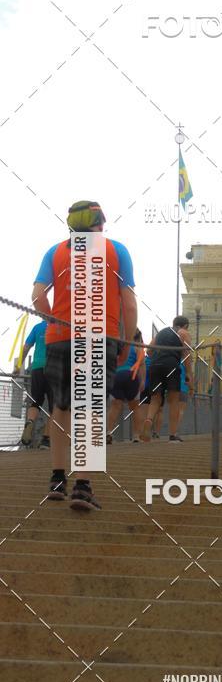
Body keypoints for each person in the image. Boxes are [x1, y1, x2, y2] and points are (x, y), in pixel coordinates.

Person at [32, 200, 137, 510]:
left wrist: (54, 320)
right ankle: (82, 486)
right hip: (99, 337)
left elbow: (38, 296)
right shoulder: (116, 251)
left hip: (59, 337)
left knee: (61, 407)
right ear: (100, 223)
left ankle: (56, 479)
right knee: (91, 411)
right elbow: (129, 305)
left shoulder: (55, 252)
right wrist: (127, 343)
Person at [142, 316, 193, 443]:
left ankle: (148, 421)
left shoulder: (161, 332)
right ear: (185, 325)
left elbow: (148, 351)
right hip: (171, 365)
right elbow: (187, 354)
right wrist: (189, 374)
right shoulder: (184, 333)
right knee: (174, 400)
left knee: (155, 399)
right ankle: (173, 434)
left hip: (155, 365)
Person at [107, 329, 145, 443]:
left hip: (116, 376)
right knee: (135, 408)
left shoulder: (116, 347)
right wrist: (142, 381)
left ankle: (108, 433)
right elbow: (142, 366)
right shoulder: (137, 347)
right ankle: (136, 436)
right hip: (131, 375)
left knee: (114, 407)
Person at [19, 320, 53, 448]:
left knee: (36, 401)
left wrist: (18, 366)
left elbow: (26, 347)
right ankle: (46, 439)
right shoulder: (62, 325)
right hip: (54, 368)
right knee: (54, 406)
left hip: (37, 367)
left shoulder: (37, 327)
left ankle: (30, 421)